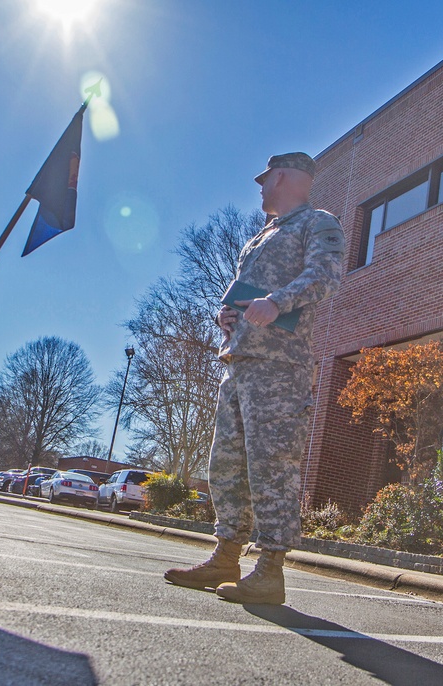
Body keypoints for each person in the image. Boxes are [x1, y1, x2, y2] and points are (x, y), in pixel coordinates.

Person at [164, 152, 345, 604]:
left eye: (265, 181)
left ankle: (269, 570)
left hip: (279, 368)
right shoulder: (261, 236)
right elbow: (247, 295)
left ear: (281, 176)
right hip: (239, 364)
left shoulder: (317, 223)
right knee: (225, 466)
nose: (261, 190)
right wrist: (230, 313)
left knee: (272, 466)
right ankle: (226, 556)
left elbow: (326, 276)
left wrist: (278, 302)